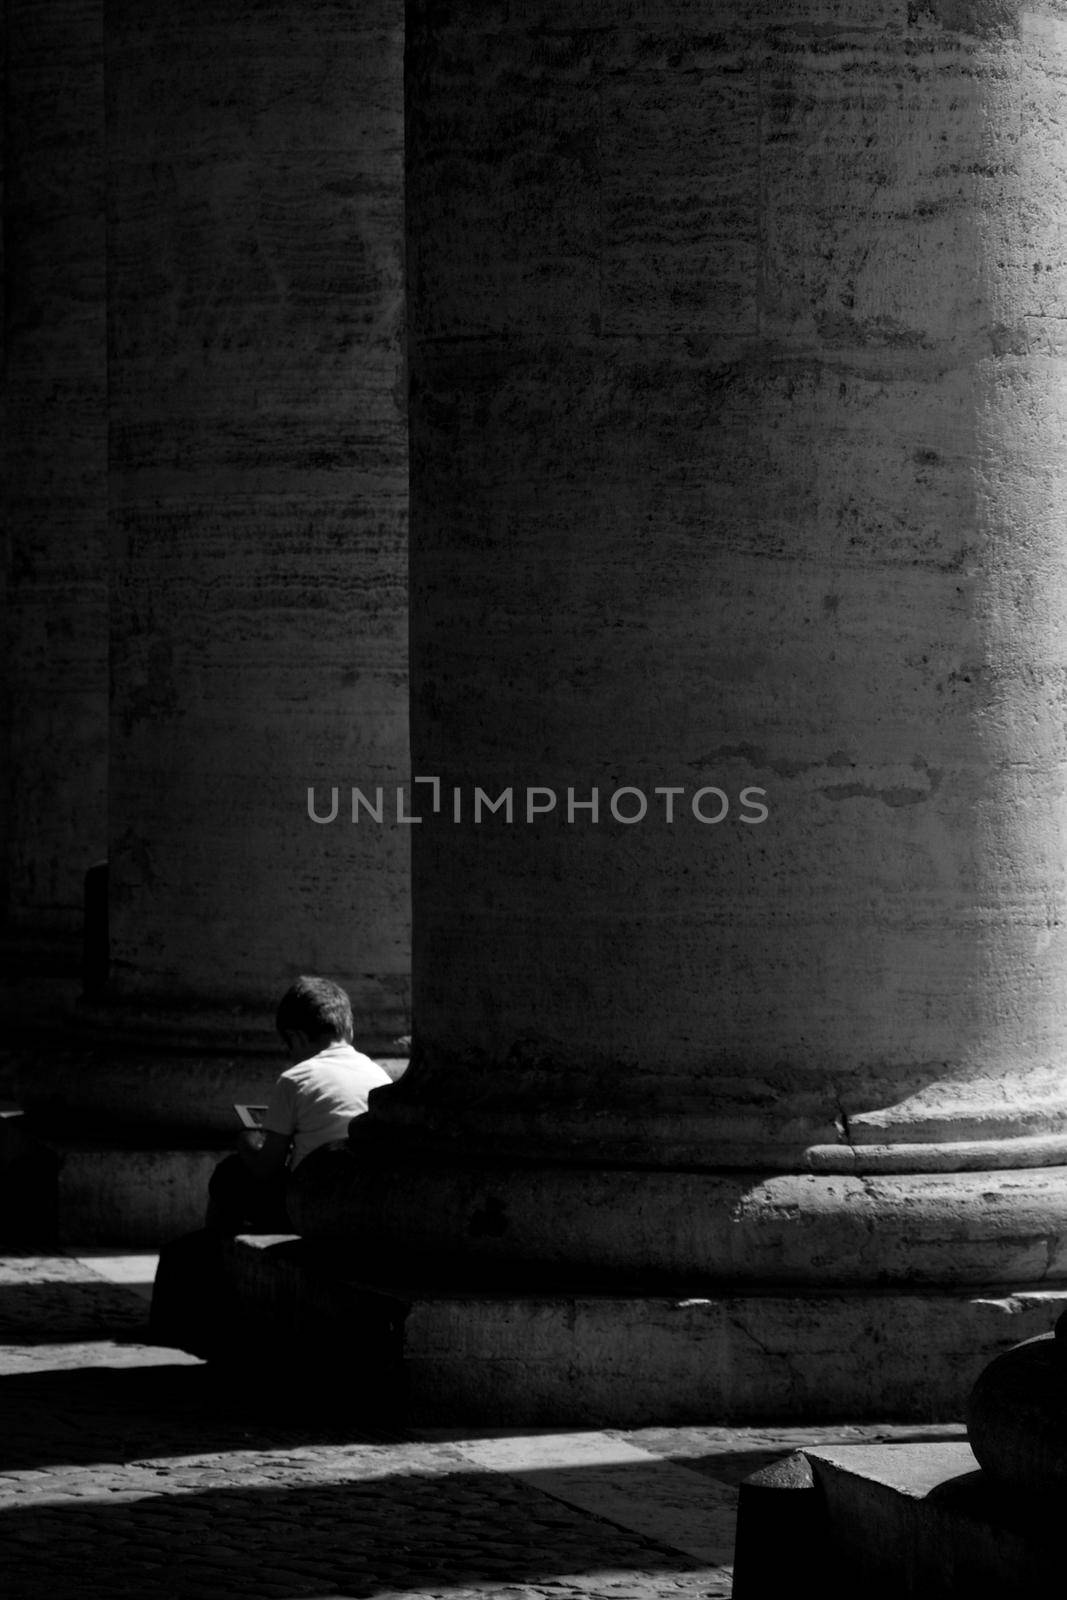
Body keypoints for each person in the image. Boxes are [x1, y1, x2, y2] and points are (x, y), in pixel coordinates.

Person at [205, 975, 392, 1234]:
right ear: (349, 1029)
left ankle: (218, 1256)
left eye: (289, 1046)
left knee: (230, 1173)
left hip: (309, 1208)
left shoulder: (295, 1079)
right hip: (364, 1207)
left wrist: (246, 1143)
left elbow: (265, 1169)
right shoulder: (379, 1075)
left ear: (297, 1037)